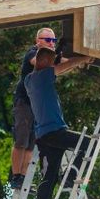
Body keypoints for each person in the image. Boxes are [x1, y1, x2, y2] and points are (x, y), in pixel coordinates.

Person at [23, 45, 93, 199]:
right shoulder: (44, 75)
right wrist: (84, 58)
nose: (55, 64)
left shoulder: (29, 79)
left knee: (49, 176)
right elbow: (60, 69)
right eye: (52, 61)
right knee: (88, 143)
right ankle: (70, 176)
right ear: (45, 62)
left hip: (44, 137)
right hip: (55, 132)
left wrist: (73, 63)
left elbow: (61, 69)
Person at [9, 27, 77, 188]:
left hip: (37, 106)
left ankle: (23, 178)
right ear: (37, 41)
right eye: (47, 40)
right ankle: (16, 176)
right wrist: (71, 60)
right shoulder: (33, 53)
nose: (51, 43)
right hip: (24, 103)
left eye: (53, 41)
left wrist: (78, 61)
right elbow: (41, 63)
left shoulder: (51, 57)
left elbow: (59, 68)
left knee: (32, 143)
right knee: (21, 140)